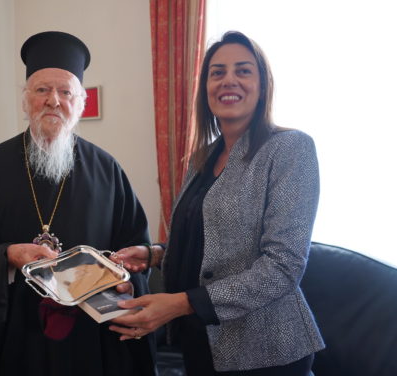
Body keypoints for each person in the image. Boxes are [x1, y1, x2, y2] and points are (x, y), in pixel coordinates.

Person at [0, 31, 155, 376]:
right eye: (42, 90)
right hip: (15, 337)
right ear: (25, 101)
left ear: (80, 103)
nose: (53, 100)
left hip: (88, 340)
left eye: (65, 92)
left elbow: (134, 251)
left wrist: (125, 282)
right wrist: (7, 255)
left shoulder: (107, 171)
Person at [110, 31, 325, 376]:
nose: (228, 80)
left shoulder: (290, 148)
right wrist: (155, 255)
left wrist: (181, 304)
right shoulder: (201, 157)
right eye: (217, 72)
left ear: (262, 86)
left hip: (267, 352)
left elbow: (283, 267)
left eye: (243, 70)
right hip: (200, 342)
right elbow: (208, 241)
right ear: (206, 88)